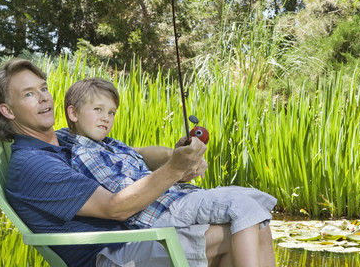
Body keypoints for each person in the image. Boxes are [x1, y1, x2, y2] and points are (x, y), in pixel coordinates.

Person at [0, 58, 275, 267]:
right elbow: (116, 208)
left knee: (254, 223)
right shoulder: (34, 165)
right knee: (245, 223)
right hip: (112, 254)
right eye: (29, 94)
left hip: (136, 238)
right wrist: (174, 170)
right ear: (8, 110)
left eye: (43, 88)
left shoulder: (62, 138)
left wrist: (173, 155)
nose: (44, 99)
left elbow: (134, 153)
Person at [60, 78, 277, 267]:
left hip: (177, 199)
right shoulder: (85, 154)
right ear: (73, 113)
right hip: (162, 211)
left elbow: (148, 165)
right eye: (98, 109)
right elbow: (125, 192)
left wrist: (180, 157)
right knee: (244, 206)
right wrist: (172, 171)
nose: (106, 117)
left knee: (259, 214)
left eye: (111, 112)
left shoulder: (114, 146)